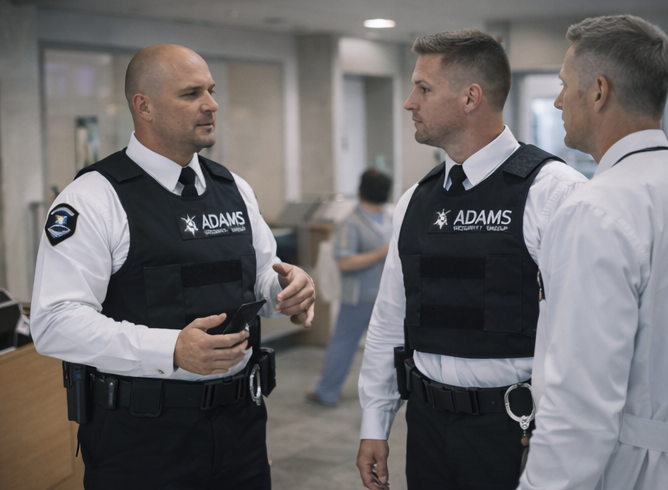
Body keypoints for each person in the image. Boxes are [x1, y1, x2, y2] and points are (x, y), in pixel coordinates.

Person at [30, 44, 315, 490]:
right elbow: (54, 322)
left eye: (211, 90)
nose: (212, 104)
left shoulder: (233, 188)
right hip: (142, 439)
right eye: (191, 93)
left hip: (240, 427)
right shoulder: (94, 198)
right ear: (143, 106)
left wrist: (286, 289)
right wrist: (170, 350)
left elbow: (260, 275)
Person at [355, 29, 588, 490]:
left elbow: (582, 332)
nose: (409, 102)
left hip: (514, 429)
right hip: (426, 426)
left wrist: (564, 432)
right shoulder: (415, 201)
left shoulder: (553, 192)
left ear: (470, 97)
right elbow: (389, 320)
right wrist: (374, 423)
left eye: (423, 88)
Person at [517, 15, 668, 490]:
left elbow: (579, 402)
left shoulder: (595, 211)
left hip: (631, 471)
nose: (559, 101)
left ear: (599, 91)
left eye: (565, 84)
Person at [306, 169, 393, 407]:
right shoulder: (351, 223)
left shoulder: (389, 218)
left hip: (385, 296)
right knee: (344, 344)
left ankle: (391, 392)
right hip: (358, 297)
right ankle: (326, 390)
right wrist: (380, 253)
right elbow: (345, 262)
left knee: (388, 347)